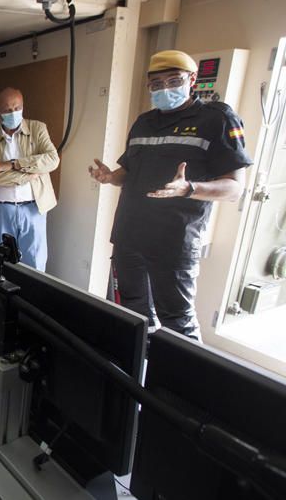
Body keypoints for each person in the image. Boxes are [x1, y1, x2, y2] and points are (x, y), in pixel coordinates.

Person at [89, 50, 253, 341]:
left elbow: (235, 188)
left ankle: (181, 383)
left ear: (192, 80)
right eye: (156, 83)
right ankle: (136, 377)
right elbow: (129, 169)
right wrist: (111, 177)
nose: (165, 89)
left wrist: (190, 188)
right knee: (133, 314)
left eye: (173, 80)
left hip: (173, 242)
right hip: (129, 236)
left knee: (177, 323)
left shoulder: (217, 119)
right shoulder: (143, 122)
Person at [0, 87, 59, 271]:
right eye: (7, 110)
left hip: (34, 208)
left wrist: (11, 165)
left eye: (18, 107)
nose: (14, 113)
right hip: (2, 209)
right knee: (1, 261)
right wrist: (29, 174)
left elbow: (52, 160)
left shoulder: (38, 129)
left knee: (35, 263)